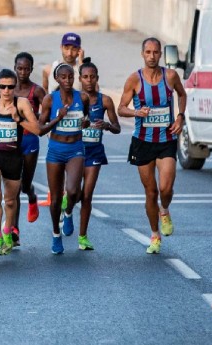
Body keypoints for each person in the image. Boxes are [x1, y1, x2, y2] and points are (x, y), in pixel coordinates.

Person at [117, 37, 186, 254]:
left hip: (166, 140)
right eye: (148, 52)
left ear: (160, 55)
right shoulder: (134, 80)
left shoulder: (170, 76)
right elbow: (121, 108)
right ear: (142, 54)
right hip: (143, 142)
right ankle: (155, 234)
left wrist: (180, 117)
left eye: (156, 52)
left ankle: (164, 210)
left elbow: (182, 94)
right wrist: (136, 112)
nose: (152, 56)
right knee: (151, 192)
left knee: (165, 188)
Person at [0, 69, 40, 256]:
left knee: (10, 201)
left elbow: (36, 129)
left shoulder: (22, 104)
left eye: (10, 87)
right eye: (2, 86)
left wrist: (18, 119)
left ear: (15, 87)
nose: (6, 90)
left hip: (13, 158)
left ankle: (7, 232)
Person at [38, 63, 90, 255]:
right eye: (63, 77)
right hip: (55, 151)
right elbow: (40, 128)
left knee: (74, 190)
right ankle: (55, 233)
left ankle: (68, 213)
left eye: (70, 77)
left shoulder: (82, 97)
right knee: (56, 198)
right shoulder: (50, 100)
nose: (67, 81)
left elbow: (87, 117)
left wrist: (86, 122)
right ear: (57, 79)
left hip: (76, 148)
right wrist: (58, 119)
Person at [77, 59, 121, 250]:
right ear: (79, 79)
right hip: (74, 151)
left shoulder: (105, 101)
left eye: (92, 77)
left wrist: (107, 126)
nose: (89, 80)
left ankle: (82, 236)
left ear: (97, 78)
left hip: (94, 151)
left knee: (87, 195)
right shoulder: (73, 99)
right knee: (72, 193)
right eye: (85, 77)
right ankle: (67, 213)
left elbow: (118, 128)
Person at [13, 52, 46, 245]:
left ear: (31, 69)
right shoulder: (9, 88)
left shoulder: (37, 91)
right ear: (15, 67)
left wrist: (38, 118)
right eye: (19, 68)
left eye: (26, 68)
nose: (23, 72)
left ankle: (32, 196)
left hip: (30, 141)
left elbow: (48, 109)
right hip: (12, 141)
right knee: (14, 187)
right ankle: (15, 230)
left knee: (25, 185)